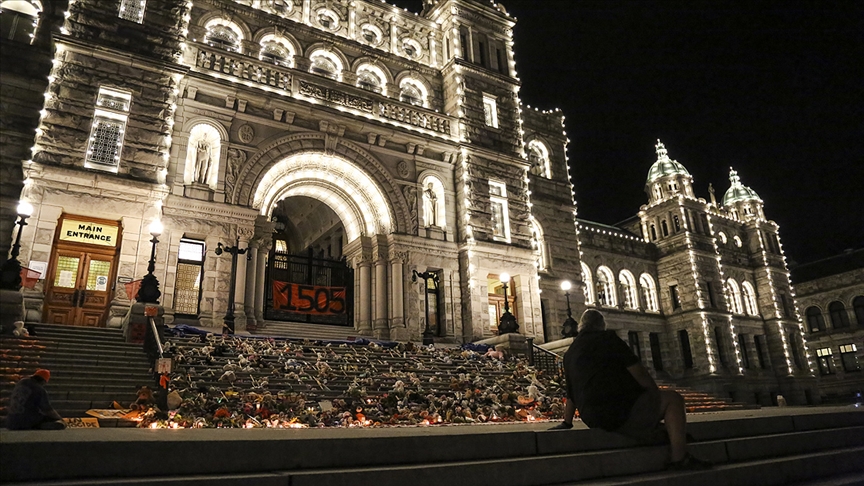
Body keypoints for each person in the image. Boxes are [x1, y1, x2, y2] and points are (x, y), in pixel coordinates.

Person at [550, 309, 711, 470]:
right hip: (619, 409)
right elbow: (640, 373)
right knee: (673, 399)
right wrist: (653, 397)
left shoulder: (569, 353)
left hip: (592, 417)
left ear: (581, 326)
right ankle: (679, 458)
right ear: (602, 326)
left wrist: (567, 422)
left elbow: (570, 393)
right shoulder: (608, 339)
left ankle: (660, 434)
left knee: (639, 418)